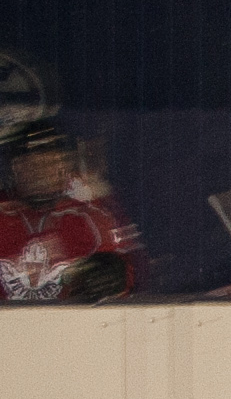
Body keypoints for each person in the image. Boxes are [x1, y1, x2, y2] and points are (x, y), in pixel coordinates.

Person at [0, 115, 143, 302]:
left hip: (72, 319)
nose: (40, 172)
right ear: (14, 169)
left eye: (49, 163)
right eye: (30, 164)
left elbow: (132, 272)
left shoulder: (92, 217)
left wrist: (116, 274)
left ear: (65, 167)